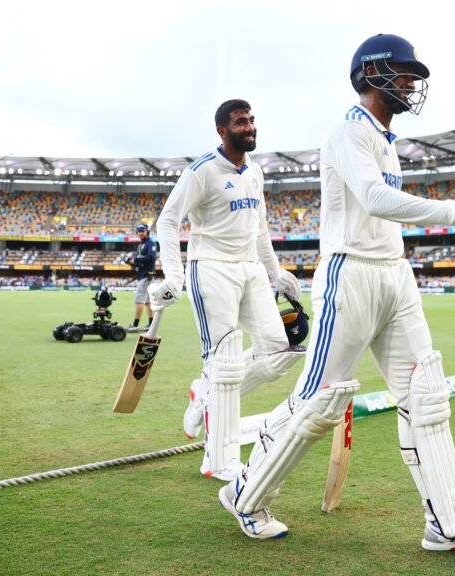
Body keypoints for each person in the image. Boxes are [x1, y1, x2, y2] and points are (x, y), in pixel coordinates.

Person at [218, 34, 455, 551]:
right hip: (349, 275)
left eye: (413, 76)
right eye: (403, 73)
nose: (411, 83)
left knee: (427, 396)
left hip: (394, 276)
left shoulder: (385, 140)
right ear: (370, 73)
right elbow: (376, 199)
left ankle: (448, 525)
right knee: (321, 403)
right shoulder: (347, 131)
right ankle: (246, 493)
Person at [149, 99, 305, 481]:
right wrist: (174, 275)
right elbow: (168, 221)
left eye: (251, 120)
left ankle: (205, 393)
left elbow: (261, 227)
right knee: (225, 362)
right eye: (240, 122)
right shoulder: (202, 171)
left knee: (281, 350)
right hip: (212, 268)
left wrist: (275, 271)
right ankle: (218, 461)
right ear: (222, 129)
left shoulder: (255, 171)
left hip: (251, 268)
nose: (249, 126)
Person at [126, 223, 156, 332]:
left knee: (139, 301)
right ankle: (151, 325)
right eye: (139, 231)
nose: (140, 233)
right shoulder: (141, 245)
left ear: (147, 231)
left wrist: (136, 260)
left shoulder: (150, 243)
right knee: (148, 302)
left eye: (142, 231)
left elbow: (151, 257)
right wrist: (131, 262)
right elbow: (138, 261)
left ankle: (135, 325)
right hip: (143, 275)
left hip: (146, 276)